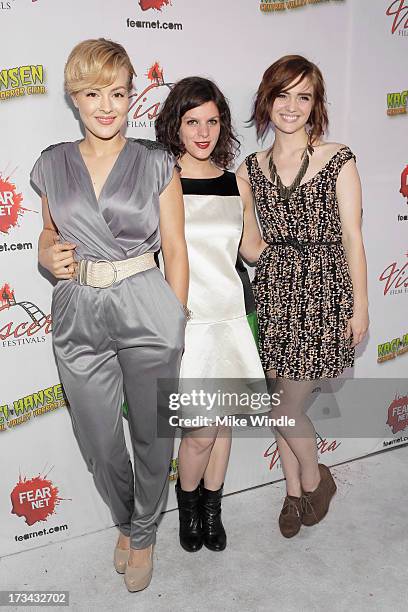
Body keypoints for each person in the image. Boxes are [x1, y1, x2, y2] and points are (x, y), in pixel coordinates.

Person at [30, 38, 188, 592]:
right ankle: (128, 517)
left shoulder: (155, 161)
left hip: (145, 299)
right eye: (94, 93)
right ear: (75, 97)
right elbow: (49, 233)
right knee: (98, 437)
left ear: (130, 98)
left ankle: (141, 533)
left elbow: (175, 247)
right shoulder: (52, 164)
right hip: (78, 307)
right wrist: (45, 253)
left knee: (152, 431)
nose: (106, 105)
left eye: (118, 93)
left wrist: (174, 316)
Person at [237, 55, 369, 538]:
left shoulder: (338, 157)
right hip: (274, 292)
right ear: (266, 101)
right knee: (279, 398)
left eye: (303, 96)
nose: (291, 106)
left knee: (285, 407)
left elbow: (354, 238)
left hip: (323, 291)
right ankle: (293, 493)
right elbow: (251, 244)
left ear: (315, 106)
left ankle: (318, 480)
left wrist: (361, 306)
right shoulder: (249, 169)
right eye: (282, 94)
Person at [155, 77, 266, 553]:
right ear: (175, 126)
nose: (203, 132)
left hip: (232, 317)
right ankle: (188, 507)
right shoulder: (161, 179)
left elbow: (253, 250)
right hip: (189, 322)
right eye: (192, 121)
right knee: (200, 431)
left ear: (223, 125)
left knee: (223, 426)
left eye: (213, 121)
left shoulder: (235, 180)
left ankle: (212, 510)